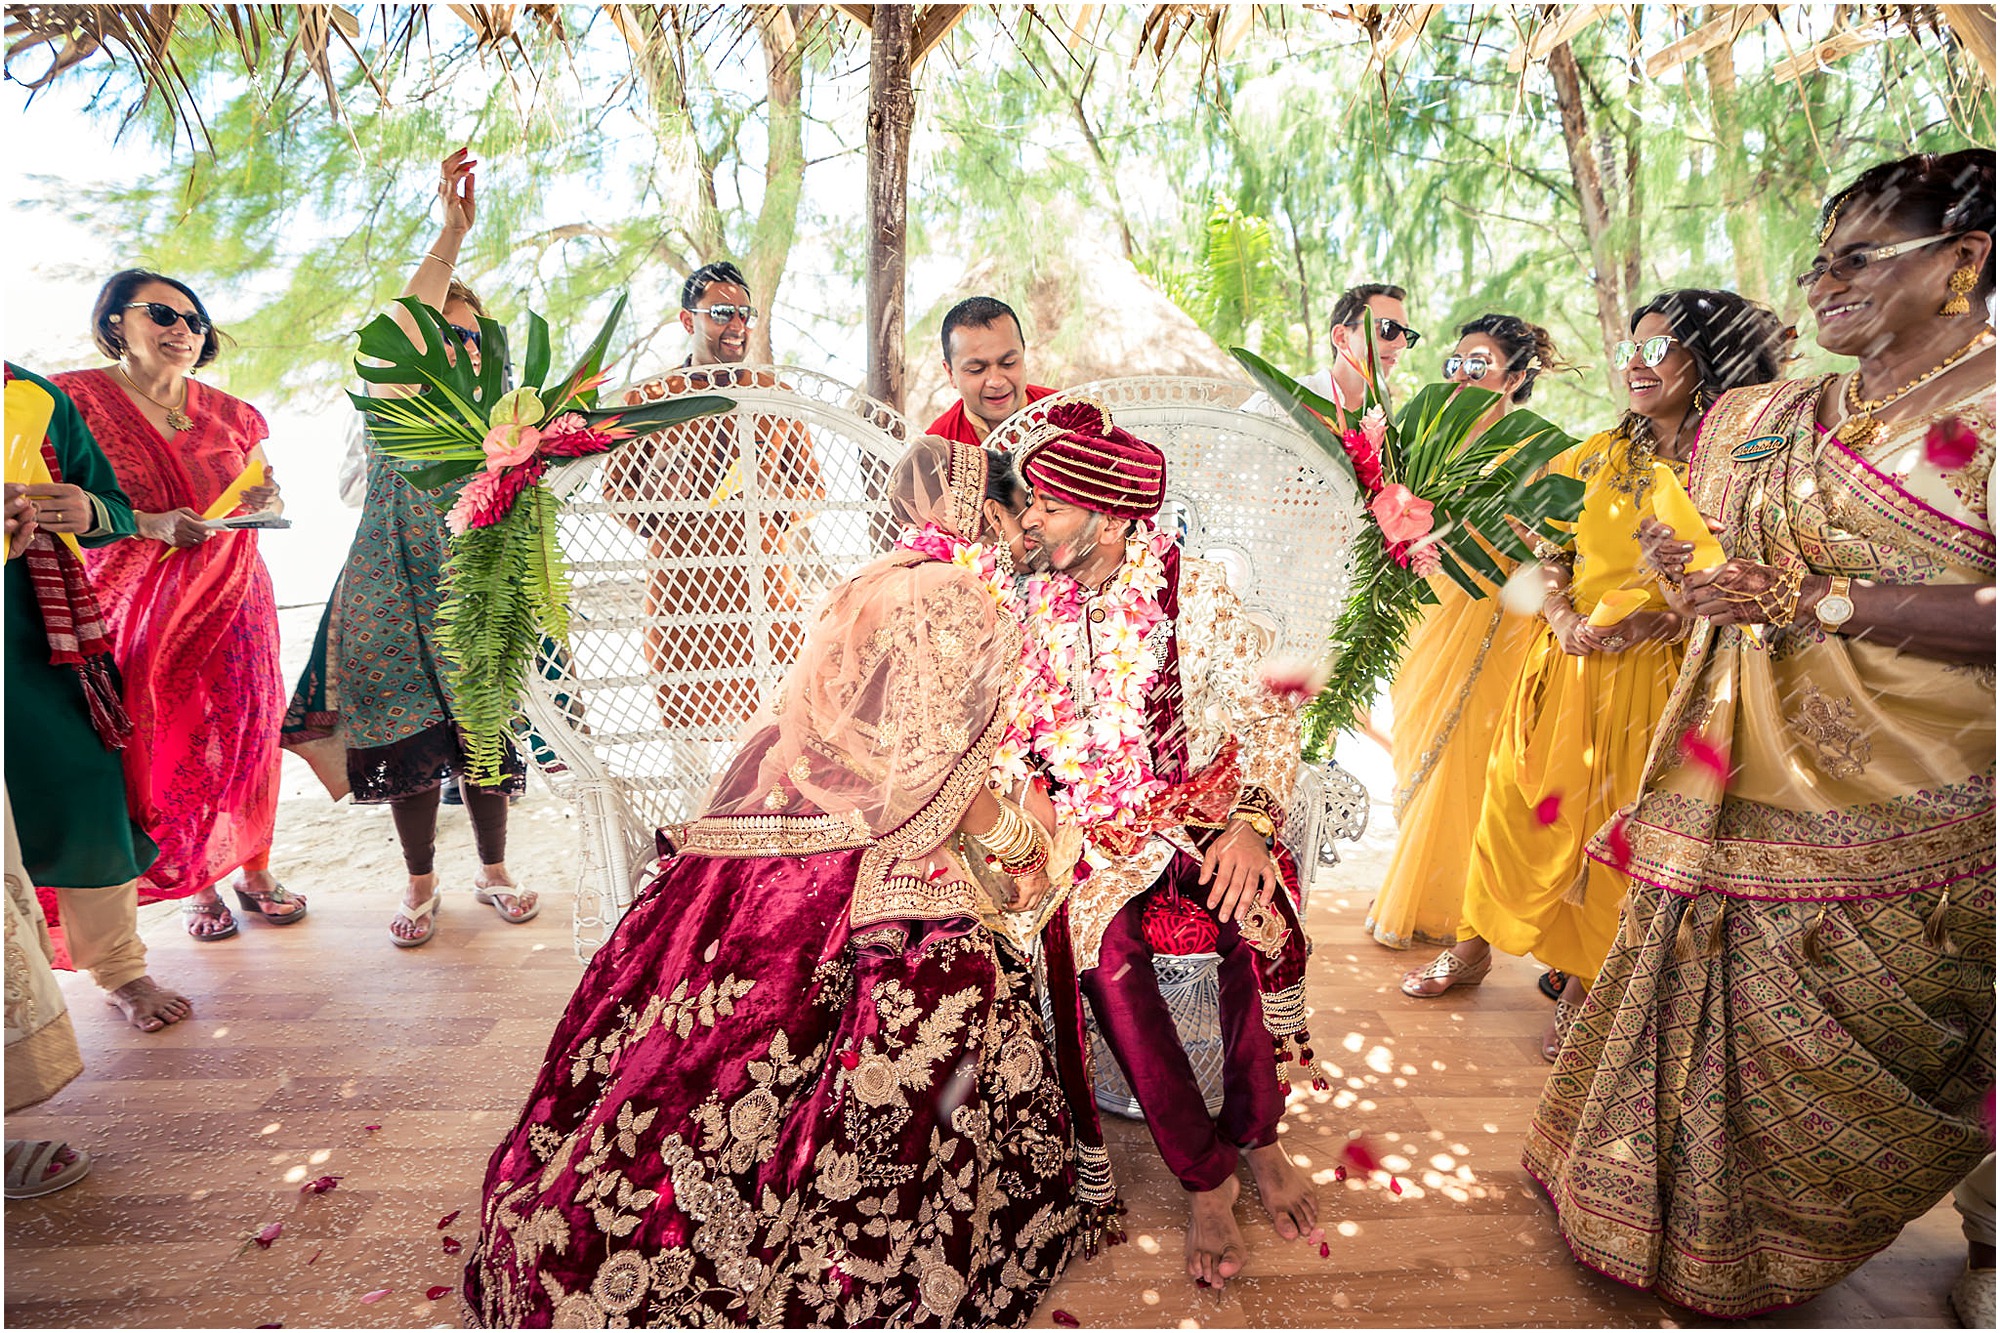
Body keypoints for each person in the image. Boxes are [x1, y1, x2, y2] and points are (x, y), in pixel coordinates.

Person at [465, 436, 1093, 1328]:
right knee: (953, 972)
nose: (1029, 524)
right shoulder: (958, 596)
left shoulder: (877, 576)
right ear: (980, 511)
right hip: (872, 835)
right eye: (1018, 505)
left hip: (782, 824)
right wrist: (1023, 840)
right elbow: (921, 773)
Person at [1525, 149, 1996, 1319]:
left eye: (1856, 259)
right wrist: (1688, 580)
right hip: (1732, 787)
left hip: (1918, 805)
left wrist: (1810, 599)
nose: (1821, 282)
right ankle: (1689, 1234)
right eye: (1817, 260)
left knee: (1930, 1042)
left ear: (1964, 261)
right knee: (1709, 1012)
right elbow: (1713, 571)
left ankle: (1973, 1238)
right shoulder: (1763, 415)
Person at [1403, 291, 1789, 1066]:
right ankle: (1475, 945)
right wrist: (1560, 616)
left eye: (1658, 348)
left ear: (1708, 357)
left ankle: (1583, 982)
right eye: (1630, 348)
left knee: (1617, 833)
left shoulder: (1741, 467)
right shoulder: (1597, 454)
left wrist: (1672, 616)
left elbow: (1754, 581)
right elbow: (1547, 550)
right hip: (1568, 665)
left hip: (1661, 681)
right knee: (1513, 810)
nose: (1635, 364)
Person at [1009, 401, 1319, 1289]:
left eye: (1049, 506)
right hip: (1093, 830)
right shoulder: (1038, 603)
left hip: (1197, 811)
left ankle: (1259, 1136)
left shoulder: (1194, 592)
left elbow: (1269, 710)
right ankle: (1207, 1174)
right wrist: (1038, 806)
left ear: (1109, 519)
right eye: (1031, 503)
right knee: (1107, 954)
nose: (1031, 521)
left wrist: (1252, 825)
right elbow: (1017, 729)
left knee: (1248, 915)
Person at [282, 146, 536, 946]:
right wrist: (450, 236)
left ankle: (494, 871)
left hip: (474, 566)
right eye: (443, 338)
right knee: (407, 729)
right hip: (392, 573)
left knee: (484, 727)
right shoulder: (393, 389)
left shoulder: (497, 411)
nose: (460, 352)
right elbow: (400, 329)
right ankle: (421, 880)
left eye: (472, 341)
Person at [48, 274, 296, 944]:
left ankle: (254, 868)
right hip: (134, 604)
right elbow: (50, 499)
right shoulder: (69, 399)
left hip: (237, 595)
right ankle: (198, 882)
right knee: (167, 740)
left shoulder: (232, 414)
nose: (183, 329)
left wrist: (264, 500)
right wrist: (152, 523)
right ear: (114, 321)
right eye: (162, 313)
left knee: (247, 732)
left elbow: (263, 498)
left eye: (195, 320)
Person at [1366, 315, 1568, 951]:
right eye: (1454, 362)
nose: (1459, 374)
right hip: (1423, 603)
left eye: (1478, 363)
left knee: (1461, 754)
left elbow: (1554, 539)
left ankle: (1440, 902)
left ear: (1517, 375)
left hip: (1490, 612)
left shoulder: (1541, 444)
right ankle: (1428, 881)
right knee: (1417, 745)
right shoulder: (1426, 427)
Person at [2, 364, 177, 1033]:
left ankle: (118, 967)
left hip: (38, 630)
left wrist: (87, 509)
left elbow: (111, 507)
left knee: (86, 787)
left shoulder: (32, 395)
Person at [604, 260, 825, 737]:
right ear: (688, 320)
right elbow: (614, 491)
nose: (737, 326)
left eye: (746, 314)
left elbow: (813, 489)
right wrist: (654, 502)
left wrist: (776, 501)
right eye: (722, 312)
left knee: (781, 735)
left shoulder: (775, 395)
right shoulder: (649, 400)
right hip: (681, 604)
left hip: (768, 598)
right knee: (690, 744)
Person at [926, 296, 1056, 444]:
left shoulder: (1070, 414)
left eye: (1008, 363)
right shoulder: (939, 449)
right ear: (950, 374)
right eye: (976, 370)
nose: (996, 382)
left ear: (1023, 355)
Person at [1300, 282, 1419, 425]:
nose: (1402, 344)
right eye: (1389, 328)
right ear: (1341, 337)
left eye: (1407, 334)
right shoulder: (1288, 402)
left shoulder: (1387, 427)